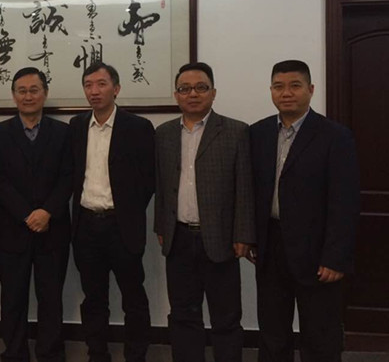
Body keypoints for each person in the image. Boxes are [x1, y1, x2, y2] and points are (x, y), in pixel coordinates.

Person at [250, 60, 360, 362]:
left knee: (320, 334)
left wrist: (335, 257)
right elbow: (252, 191)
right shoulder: (258, 133)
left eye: (295, 86)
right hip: (271, 247)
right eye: (279, 86)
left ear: (310, 89)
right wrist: (252, 238)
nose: (286, 93)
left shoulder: (335, 136)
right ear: (271, 90)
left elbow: (345, 201)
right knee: (272, 332)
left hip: (317, 250)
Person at [154, 62, 255, 362]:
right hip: (178, 238)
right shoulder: (164, 134)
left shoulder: (236, 131)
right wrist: (161, 227)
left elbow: (245, 187)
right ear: (176, 95)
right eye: (185, 89)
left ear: (213, 92)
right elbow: (162, 185)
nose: (193, 94)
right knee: (183, 314)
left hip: (221, 238)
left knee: (226, 317)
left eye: (201, 87)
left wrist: (243, 233)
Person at [69, 62, 155, 362]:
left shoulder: (138, 127)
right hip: (86, 225)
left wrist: (128, 210)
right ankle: (97, 353)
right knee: (93, 298)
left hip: (122, 226)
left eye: (101, 84)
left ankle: (136, 355)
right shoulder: (77, 126)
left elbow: (148, 179)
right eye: (88, 85)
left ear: (116, 89)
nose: (94, 91)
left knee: (133, 297)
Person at [0, 67, 73, 362]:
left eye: (34, 90)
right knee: (12, 298)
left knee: (51, 298)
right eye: (21, 91)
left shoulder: (63, 133)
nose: (28, 96)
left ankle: (50, 353)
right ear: (13, 96)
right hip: (11, 229)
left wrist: (47, 211)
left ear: (45, 93)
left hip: (53, 229)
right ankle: (14, 353)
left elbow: (68, 177)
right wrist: (27, 214)